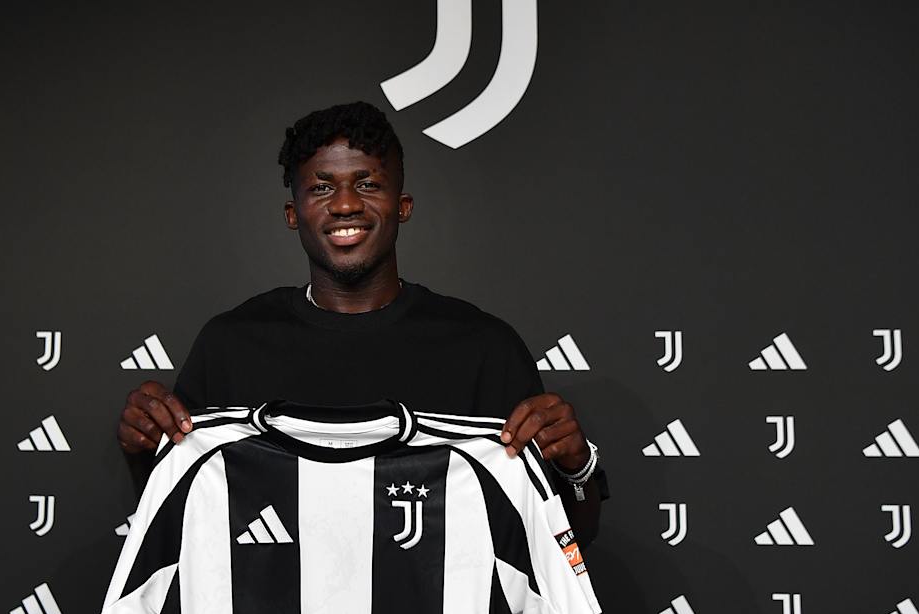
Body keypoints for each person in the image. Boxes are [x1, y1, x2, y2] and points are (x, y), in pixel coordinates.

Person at [118, 100, 608, 546]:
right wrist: (145, 449)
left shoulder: (483, 347)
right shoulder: (232, 345)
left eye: (368, 184)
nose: (346, 204)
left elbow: (561, 545)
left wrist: (576, 468)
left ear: (403, 206)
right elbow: (181, 525)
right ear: (293, 213)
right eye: (321, 187)